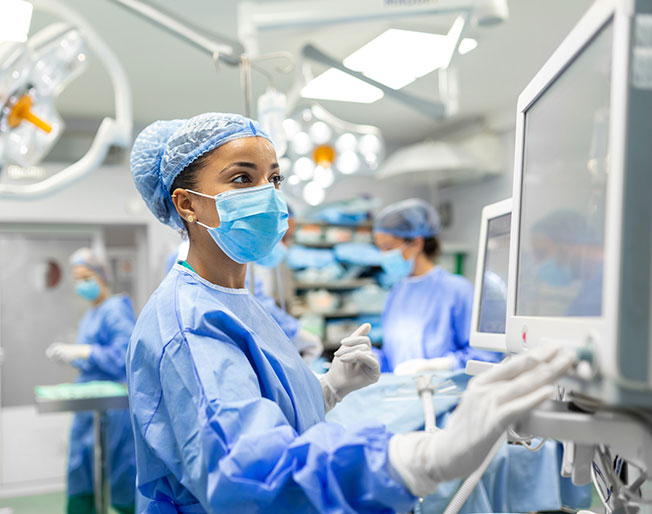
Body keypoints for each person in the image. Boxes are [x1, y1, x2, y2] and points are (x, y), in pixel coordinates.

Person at [127, 112, 575, 513]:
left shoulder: (234, 300)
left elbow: (258, 408)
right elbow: (246, 470)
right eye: (243, 179)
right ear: (187, 204)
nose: (267, 195)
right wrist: (418, 459)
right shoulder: (189, 322)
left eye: (274, 179)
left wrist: (327, 390)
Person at [46, 248, 136, 514]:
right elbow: (95, 358)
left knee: (118, 469)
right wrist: (76, 357)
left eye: (86, 277)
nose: (81, 284)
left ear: (101, 277)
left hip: (113, 407)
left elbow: (124, 355)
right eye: (77, 279)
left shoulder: (115, 310)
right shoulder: (91, 314)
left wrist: (85, 352)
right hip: (89, 404)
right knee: (81, 465)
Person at [373, 199, 501, 374]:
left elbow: (486, 357)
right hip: (402, 394)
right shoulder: (397, 292)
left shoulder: (457, 290)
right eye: (380, 248)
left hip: (445, 396)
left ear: (417, 243)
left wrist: (441, 365)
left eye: (388, 247)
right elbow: (393, 355)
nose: (383, 255)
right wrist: (371, 360)